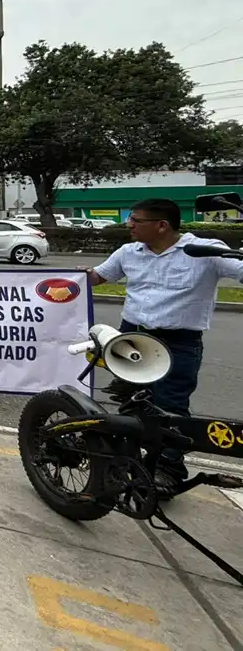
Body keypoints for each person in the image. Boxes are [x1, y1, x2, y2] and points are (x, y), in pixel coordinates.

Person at [87, 197, 243, 488]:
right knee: (131, 402)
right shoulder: (128, 252)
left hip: (178, 342)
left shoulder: (206, 251)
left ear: (162, 226)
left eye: (136, 220)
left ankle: (167, 470)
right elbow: (99, 276)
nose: (128, 225)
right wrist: (80, 277)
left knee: (170, 409)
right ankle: (128, 461)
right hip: (131, 336)